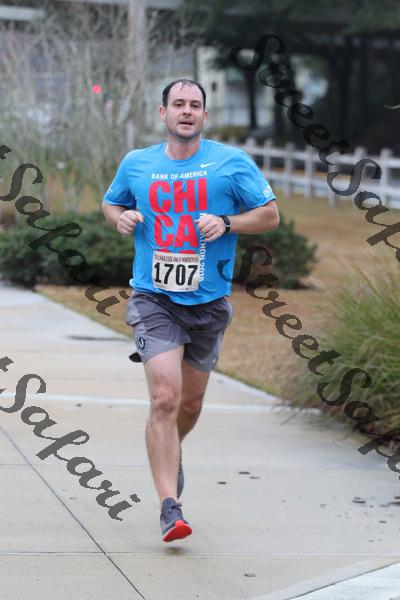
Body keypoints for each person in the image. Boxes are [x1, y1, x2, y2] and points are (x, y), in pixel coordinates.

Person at [102, 78, 279, 543]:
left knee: (190, 403)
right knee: (164, 398)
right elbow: (111, 202)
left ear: (204, 115)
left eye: (194, 105)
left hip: (209, 302)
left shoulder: (230, 163)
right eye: (178, 104)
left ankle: (171, 451)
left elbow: (269, 215)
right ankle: (169, 506)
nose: (186, 110)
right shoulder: (137, 163)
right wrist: (120, 217)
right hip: (153, 298)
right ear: (163, 113)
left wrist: (226, 222)